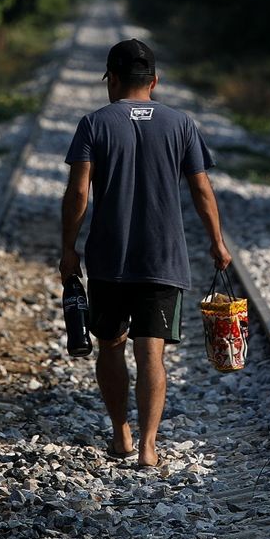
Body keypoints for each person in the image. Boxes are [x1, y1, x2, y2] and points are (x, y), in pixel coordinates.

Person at [60, 38, 231, 469]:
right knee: (151, 353)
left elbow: (79, 192)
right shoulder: (181, 124)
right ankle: (150, 447)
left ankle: (121, 434)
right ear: (154, 81)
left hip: (108, 258)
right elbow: (201, 189)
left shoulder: (94, 124)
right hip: (163, 257)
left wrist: (68, 248)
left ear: (112, 80)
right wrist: (216, 241)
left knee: (111, 346)